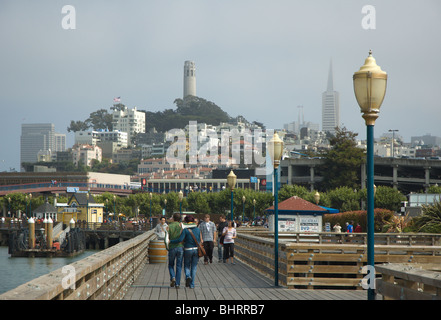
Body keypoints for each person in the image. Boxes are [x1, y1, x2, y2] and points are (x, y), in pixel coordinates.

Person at [170, 215, 202, 289]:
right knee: (194, 267)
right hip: (196, 249)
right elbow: (199, 240)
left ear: (186, 221)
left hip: (187, 249)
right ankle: (192, 284)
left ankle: (188, 276)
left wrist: (171, 241)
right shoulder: (197, 229)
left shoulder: (185, 230)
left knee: (187, 266)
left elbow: (180, 240)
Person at [167, 213, 184, 288]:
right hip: (180, 247)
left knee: (171, 264)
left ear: (173, 218)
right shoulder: (181, 226)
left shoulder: (169, 226)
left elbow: (166, 239)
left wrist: (167, 246)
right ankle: (177, 284)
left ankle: (173, 277)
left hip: (172, 247)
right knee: (179, 266)